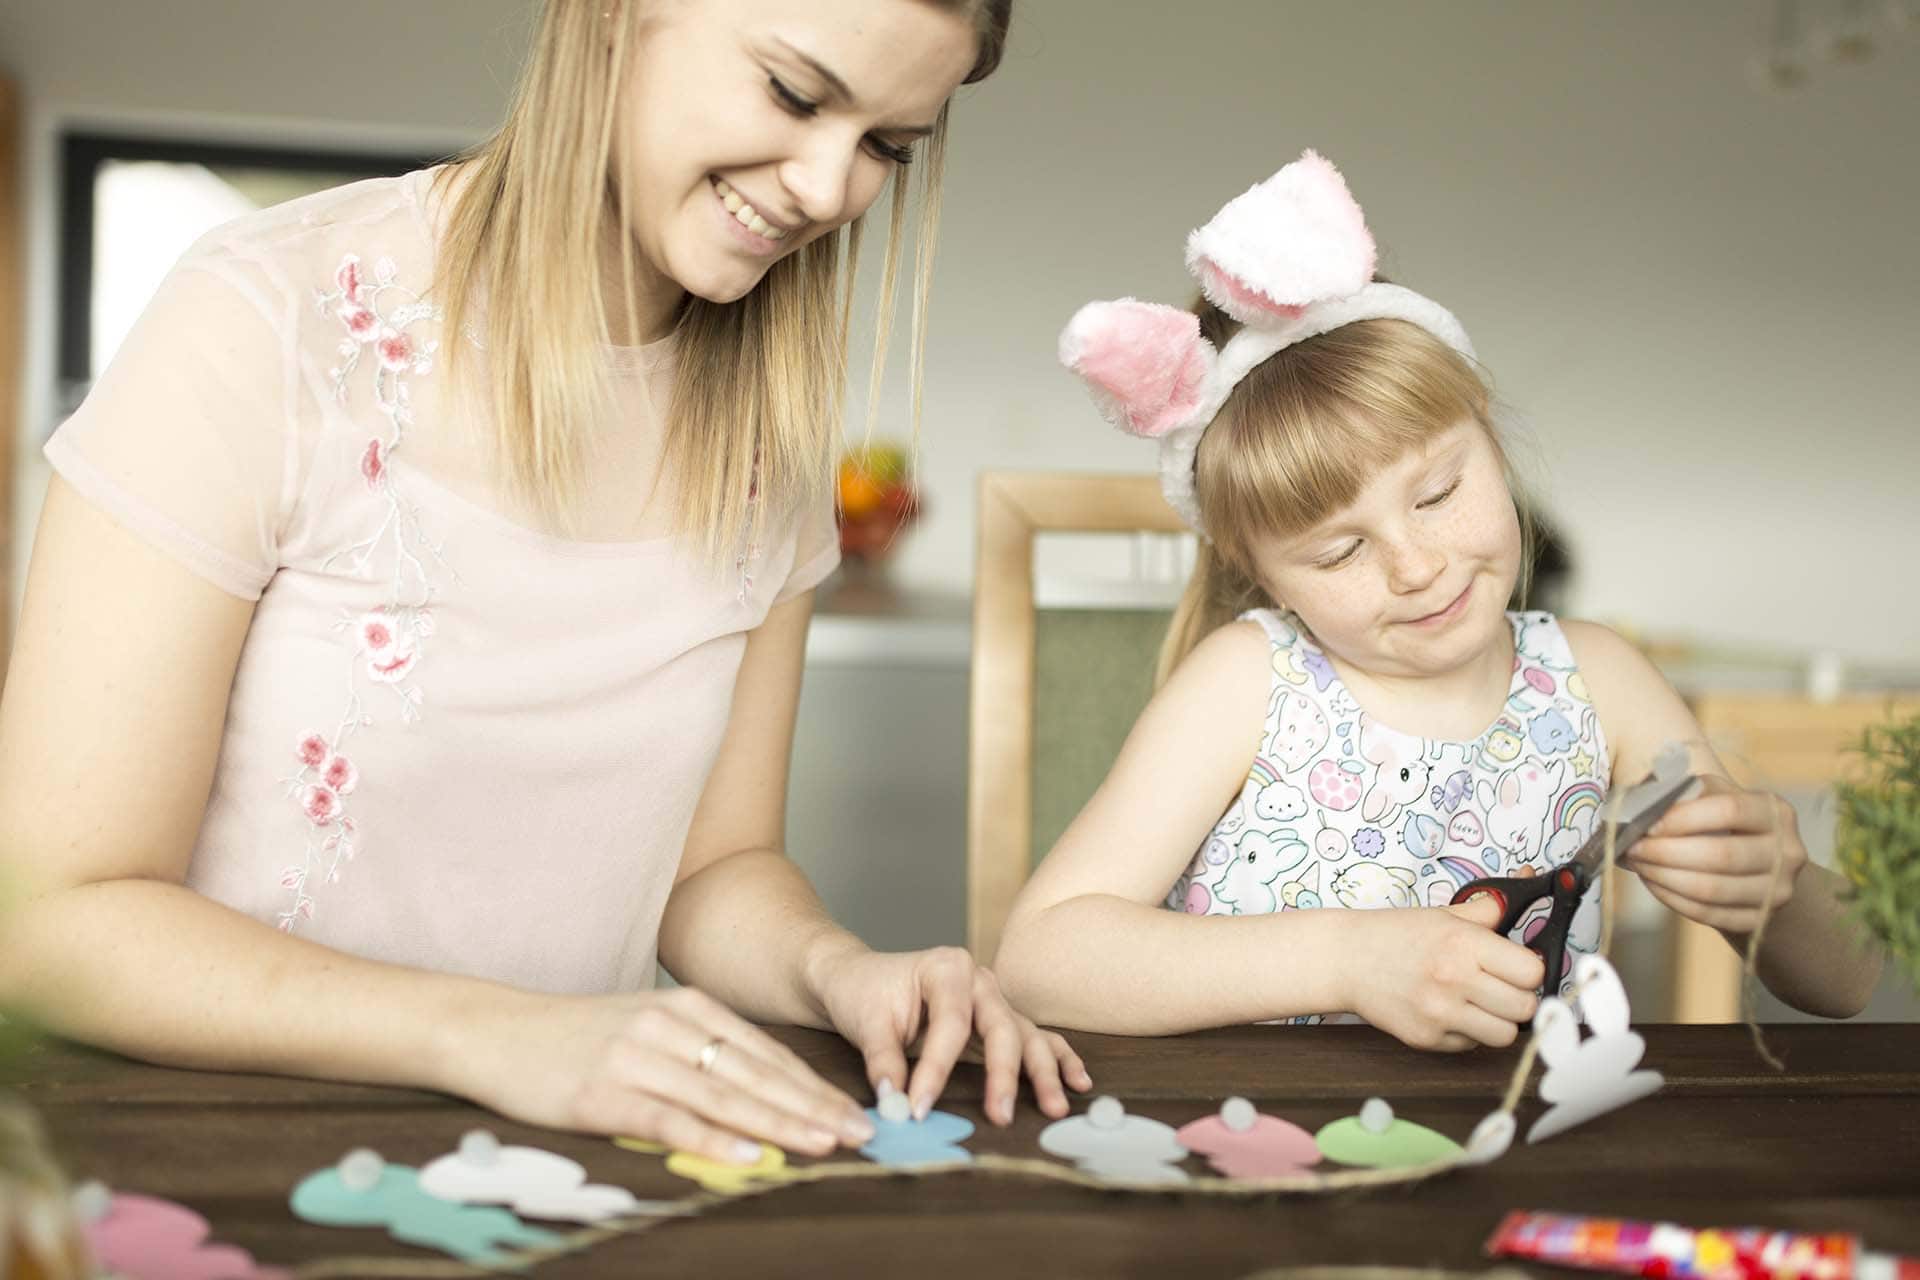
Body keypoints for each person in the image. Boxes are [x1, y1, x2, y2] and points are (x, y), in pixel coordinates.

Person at [0, 0, 1089, 1168]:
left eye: (885, 146)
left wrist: (839, 968)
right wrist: (501, 1035)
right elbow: (50, 918)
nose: (828, 189)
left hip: (569, 1173)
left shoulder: (769, 424)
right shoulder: (264, 319)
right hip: (224, 1158)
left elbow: (714, 868)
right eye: (794, 93)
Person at [993, 151, 1883, 1049]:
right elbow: (1042, 959)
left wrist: (1783, 884)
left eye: (1437, 494)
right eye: (1340, 550)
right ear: (1257, 569)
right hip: (1267, 1145)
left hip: (1504, 1158)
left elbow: (1847, 984)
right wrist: (1346, 960)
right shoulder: (1249, 685)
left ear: (1489, 441)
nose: (1415, 567)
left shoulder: (1598, 681)